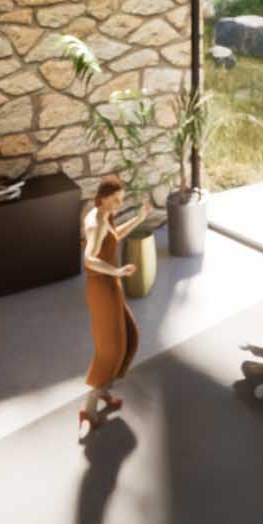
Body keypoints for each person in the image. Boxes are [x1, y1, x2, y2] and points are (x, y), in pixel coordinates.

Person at [80, 176, 147, 439]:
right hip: (102, 287)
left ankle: (105, 392)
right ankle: (89, 408)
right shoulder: (95, 222)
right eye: (117, 199)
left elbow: (115, 237)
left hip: (111, 285)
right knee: (110, 348)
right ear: (104, 196)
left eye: (122, 199)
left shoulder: (104, 215)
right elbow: (89, 260)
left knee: (128, 336)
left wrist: (139, 218)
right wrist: (117, 270)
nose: (120, 203)